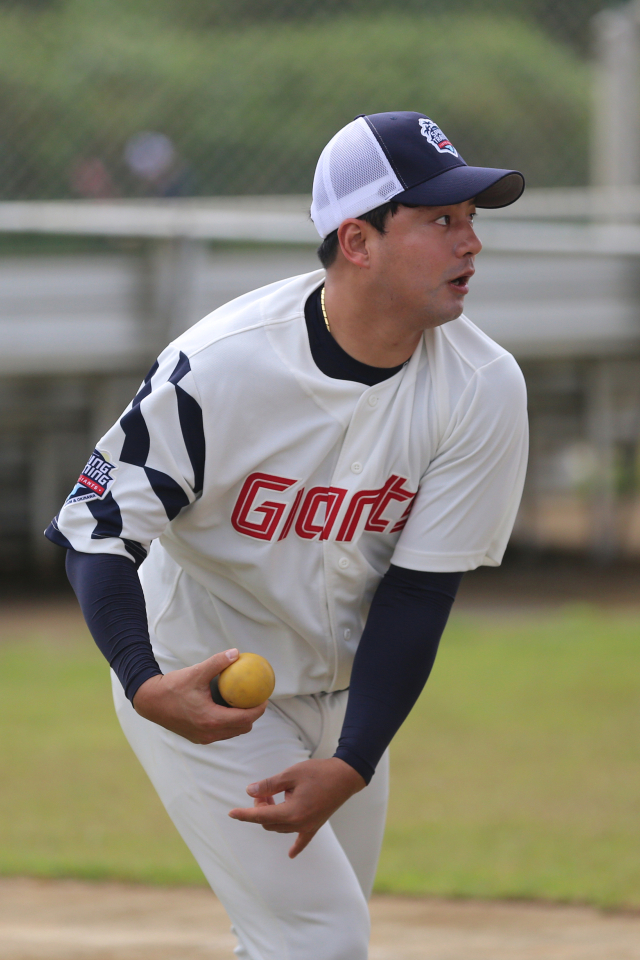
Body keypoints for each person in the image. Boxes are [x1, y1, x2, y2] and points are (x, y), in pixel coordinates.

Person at [46, 111, 528, 960]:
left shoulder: (482, 387)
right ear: (358, 240)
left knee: (293, 939)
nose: (471, 244)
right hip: (202, 682)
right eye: (441, 220)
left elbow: (420, 591)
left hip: (347, 698)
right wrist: (144, 680)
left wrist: (353, 759)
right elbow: (97, 528)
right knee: (321, 938)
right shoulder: (226, 364)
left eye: (473, 221)